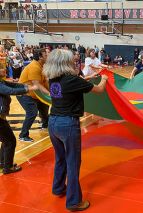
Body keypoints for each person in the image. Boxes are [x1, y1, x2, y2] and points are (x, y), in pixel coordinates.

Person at [43, 49, 108, 211]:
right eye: (72, 60)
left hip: (53, 122)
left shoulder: (54, 78)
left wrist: (89, 77)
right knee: (73, 162)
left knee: (60, 158)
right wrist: (104, 79)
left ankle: (58, 188)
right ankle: (73, 201)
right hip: (67, 124)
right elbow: (99, 90)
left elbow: (74, 84)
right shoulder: (71, 79)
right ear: (65, 62)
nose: (74, 61)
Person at [0, 63, 38, 174]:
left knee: (6, 140)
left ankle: (3, 163)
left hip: (1, 118)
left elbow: (14, 86)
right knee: (10, 141)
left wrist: (27, 86)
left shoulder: (2, 82)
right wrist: (29, 89)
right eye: (1, 68)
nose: (4, 69)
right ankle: (8, 167)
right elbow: (11, 91)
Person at [17, 49, 50, 142]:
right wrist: (49, 94)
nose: (47, 57)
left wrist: (51, 91)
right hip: (24, 94)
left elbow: (44, 82)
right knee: (32, 112)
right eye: (46, 55)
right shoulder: (34, 67)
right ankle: (23, 135)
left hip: (35, 95)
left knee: (44, 106)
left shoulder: (41, 66)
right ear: (40, 57)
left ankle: (45, 125)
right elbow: (37, 84)